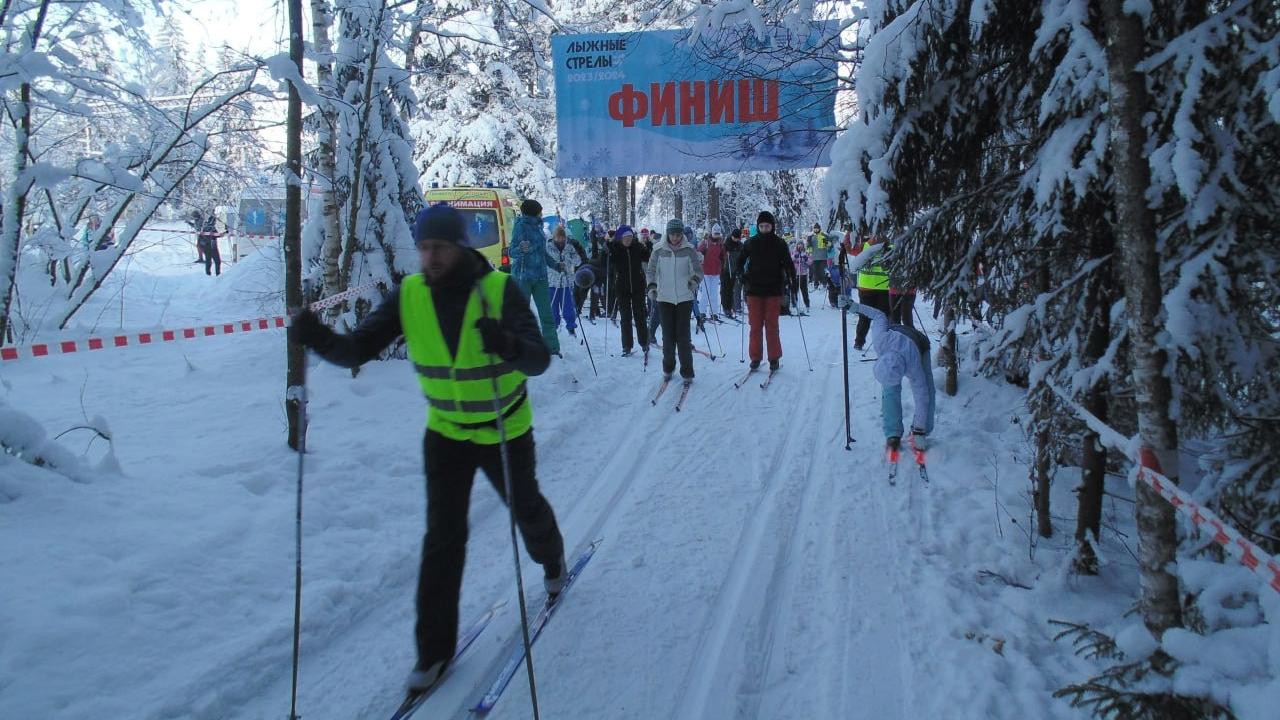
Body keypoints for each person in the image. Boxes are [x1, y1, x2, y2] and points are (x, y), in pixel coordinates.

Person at [287, 204, 567, 693]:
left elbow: (538, 358)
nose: (431, 257)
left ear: (460, 246)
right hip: (447, 434)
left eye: (439, 247)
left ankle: (553, 559)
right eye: (423, 248)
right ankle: (433, 654)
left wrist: (506, 343)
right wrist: (315, 339)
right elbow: (358, 350)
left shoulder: (500, 290)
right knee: (442, 539)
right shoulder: (409, 295)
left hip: (503, 427)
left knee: (526, 509)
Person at [842, 298, 935, 452]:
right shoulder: (880, 341)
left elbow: (922, 396)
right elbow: (878, 315)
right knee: (890, 392)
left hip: (920, 344)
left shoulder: (914, 365)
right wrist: (853, 306)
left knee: (928, 392)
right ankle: (893, 433)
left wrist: (919, 430)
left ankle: (922, 430)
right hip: (894, 337)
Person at [735, 211, 795, 371]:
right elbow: (739, 260)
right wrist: (740, 274)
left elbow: (788, 263)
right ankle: (755, 357)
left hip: (773, 290)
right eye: (761, 226)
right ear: (758, 226)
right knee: (755, 326)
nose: (764, 229)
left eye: (767, 226)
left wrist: (791, 278)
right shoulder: (750, 243)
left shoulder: (780, 243)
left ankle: (774, 357)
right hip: (753, 289)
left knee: (772, 326)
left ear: (772, 226)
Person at [646, 218, 703, 382]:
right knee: (668, 337)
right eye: (673, 234)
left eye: (679, 234)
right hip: (664, 299)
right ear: (667, 234)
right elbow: (650, 271)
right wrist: (652, 287)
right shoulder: (658, 250)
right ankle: (668, 367)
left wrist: (694, 281)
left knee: (683, 337)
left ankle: (687, 372)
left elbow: (698, 271)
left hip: (685, 299)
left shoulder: (689, 250)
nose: (676, 238)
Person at [507, 199, 560, 355]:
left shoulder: (538, 228)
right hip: (523, 277)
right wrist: (521, 249)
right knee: (521, 314)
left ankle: (552, 347)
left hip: (540, 277)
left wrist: (556, 265)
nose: (542, 213)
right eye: (540, 211)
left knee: (546, 313)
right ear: (534, 212)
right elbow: (511, 252)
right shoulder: (520, 227)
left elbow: (542, 254)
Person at [607, 224, 650, 356]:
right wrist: (608, 247)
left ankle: (644, 343)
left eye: (630, 237)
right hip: (622, 288)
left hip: (638, 286)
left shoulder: (637, 247)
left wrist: (648, 245)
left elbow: (648, 257)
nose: (628, 240)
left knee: (640, 316)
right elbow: (607, 261)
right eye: (625, 238)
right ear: (620, 238)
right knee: (625, 317)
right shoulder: (616, 249)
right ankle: (627, 346)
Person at [546, 226, 586, 337]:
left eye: (562, 237)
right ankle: (555, 325)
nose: (561, 240)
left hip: (566, 282)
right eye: (558, 237)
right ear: (554, 237)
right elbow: (545, 261)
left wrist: (569, 260)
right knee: (553, 305)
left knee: (568, 306)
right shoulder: (548, 247)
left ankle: (571, 327)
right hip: (552, 281)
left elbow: (578, 261)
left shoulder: (569, 247)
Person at [852, 236, 891, 351]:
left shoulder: (865, 245)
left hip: (866, 286)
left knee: (865, 316)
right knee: (883, 317)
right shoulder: (889, 245)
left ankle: (859, 342)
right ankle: (884, 342)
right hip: (884, 286)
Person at [697, 224, 726, 322]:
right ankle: (702, 312)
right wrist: (700, 257)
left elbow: (723, 257)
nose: (716, 235)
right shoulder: (705, 243)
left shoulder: (721, 244)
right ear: (712, 233)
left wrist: (723, 265)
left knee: (714, 294)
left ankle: (714, 313)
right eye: (715, 233)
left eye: (718, 233)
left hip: (716, 272)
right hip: (705, 271)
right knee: (705, 293)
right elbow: (698, 253)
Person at [722, 228, 745, 319]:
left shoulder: (740, 245)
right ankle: (726, 307)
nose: (736, 239)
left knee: (733, 289)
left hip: (735, 269)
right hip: (726, 270)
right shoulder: (726, 244)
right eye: (735, 238)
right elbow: (721, 256)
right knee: (726, 289)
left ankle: (732, 307)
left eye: (737, 238)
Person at [791, 241, 811, 313]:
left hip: (803, 273)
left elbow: (810, 262)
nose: (800, 246)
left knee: (804, 289)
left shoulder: (806, 252)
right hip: (796, 273)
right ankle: (794, 302)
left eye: (801, 245)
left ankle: (807, 303)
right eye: (799, 245)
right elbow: (790, 259)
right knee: (795, 289)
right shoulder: (794, 252)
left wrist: (805, 258)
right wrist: (795, 256)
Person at [808, 223, 829, 289]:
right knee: (815, 271)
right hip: (815, 257)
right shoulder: (811, 237)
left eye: (817, 228)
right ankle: (816, 283)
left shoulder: (823, 235)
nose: (816, 230)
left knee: (823, 270)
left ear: (819, 229)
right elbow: (809, 249)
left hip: (823, 256)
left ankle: (824, 283)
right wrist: (808, 244)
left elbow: (828, 245)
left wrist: (826, 242)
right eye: (815, 228)